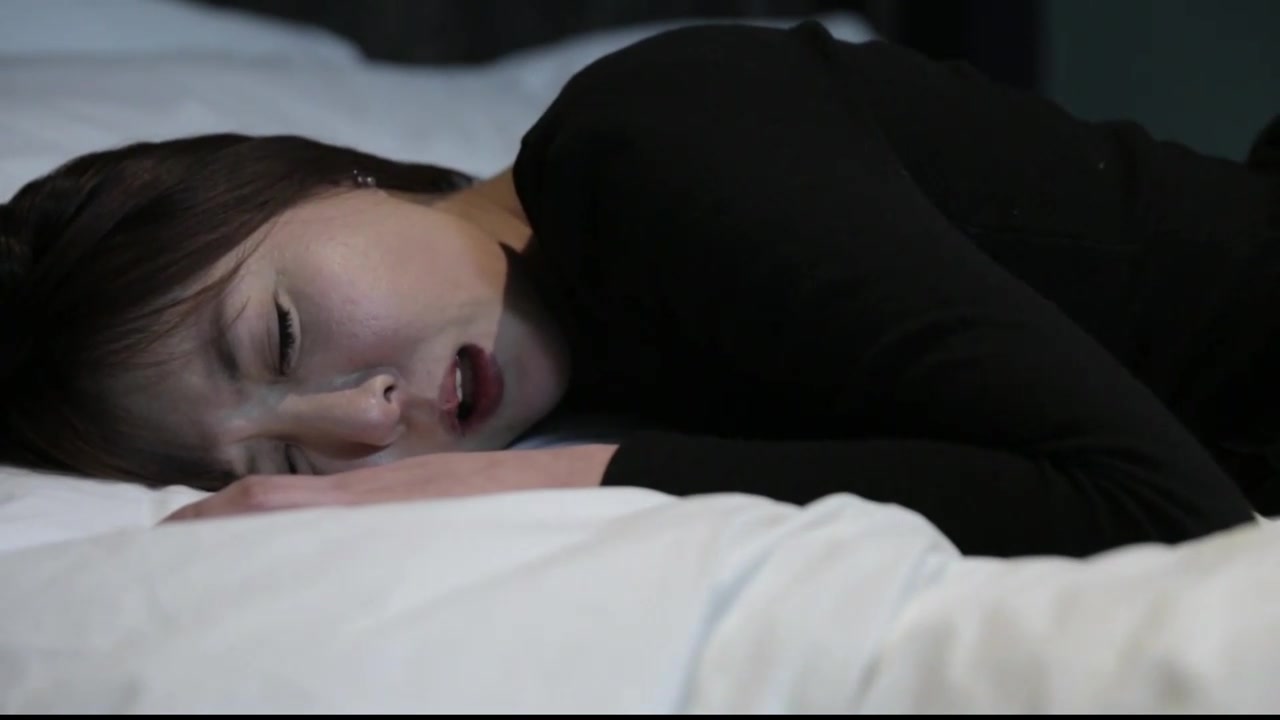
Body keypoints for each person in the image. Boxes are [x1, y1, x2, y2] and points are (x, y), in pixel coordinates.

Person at [1, 21, 1276, 558]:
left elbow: (1168, 517)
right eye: (281, 459)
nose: (366, 425)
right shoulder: (597, 331)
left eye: (281, 336)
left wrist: (539, 477)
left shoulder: (645, 150)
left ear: (322, 179)